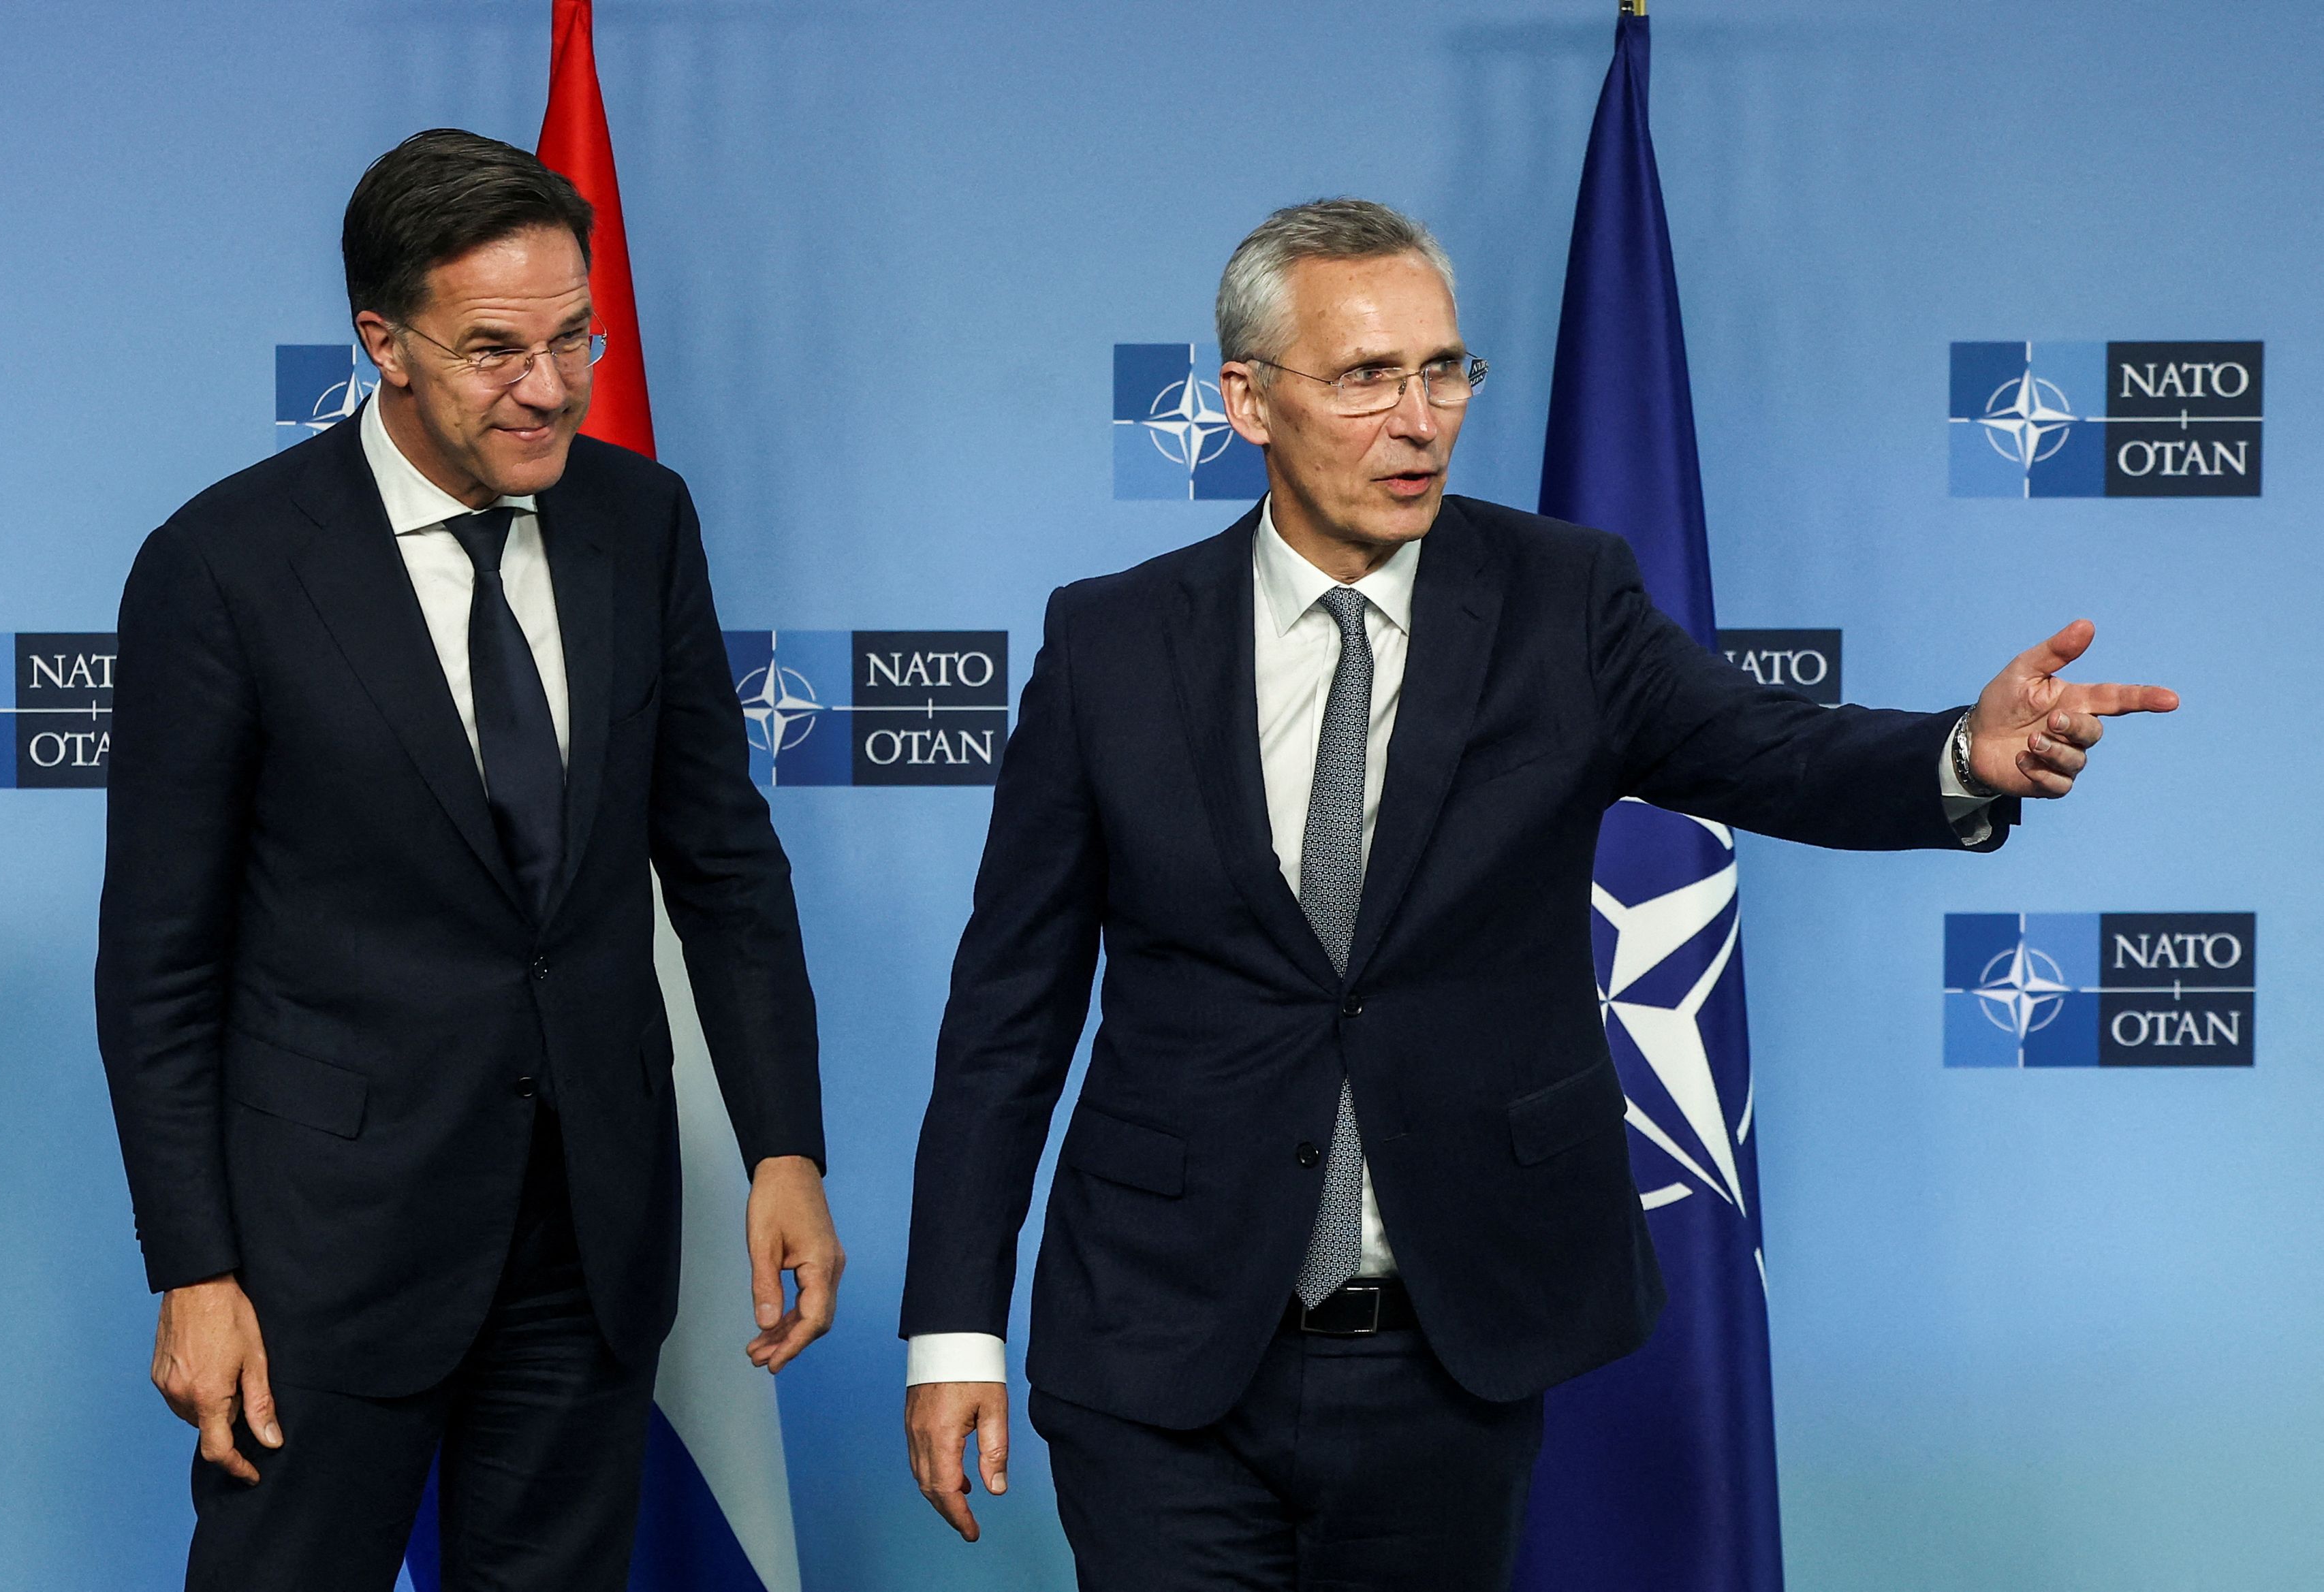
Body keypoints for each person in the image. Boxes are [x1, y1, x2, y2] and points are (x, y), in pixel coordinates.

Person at [898, 198, 2177, 1591]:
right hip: (1158, 1343)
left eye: (1445, 369)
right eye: (1367, 376)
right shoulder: (1109, 640)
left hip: (1450, 1348)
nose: (1420, 417)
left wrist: (1956, 752)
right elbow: (1007, 1009)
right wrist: (953, 1326)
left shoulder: (1562, 598)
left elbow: (1770, 750)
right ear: (1246, 401)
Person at [95, 128, 843, 1591]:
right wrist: (194, 1268)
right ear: (384, 341)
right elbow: (160, 961)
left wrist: (784, 1142)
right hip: (323, 1253)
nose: (552, 386)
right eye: (497, 349)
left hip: (591, 1226)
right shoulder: (226, 565)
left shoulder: (644, 517)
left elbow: (723, 858)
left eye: (576, 337)